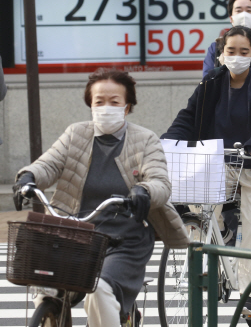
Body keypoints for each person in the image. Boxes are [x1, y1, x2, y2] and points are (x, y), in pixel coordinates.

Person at [13, 69, 189, 326]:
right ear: (90, 105)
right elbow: (49, 165)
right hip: (77, 234)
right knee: (43, 287)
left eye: (114, 102)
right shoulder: (76, 134)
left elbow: (160, 181)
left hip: (125, 240)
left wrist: (144, 191)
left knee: (99, 290)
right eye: (99, 101)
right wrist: (28, 176)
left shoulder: (145, 140)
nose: (106, 107)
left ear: (127, 107)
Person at [163, 26, 251, 317]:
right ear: (221, 53)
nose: (237, 56)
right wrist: (166, 142)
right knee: (200, 206)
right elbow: (188, 117)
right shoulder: (211, 82)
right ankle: (221, 234)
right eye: (231, 51)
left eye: (244, 52)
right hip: (220, 161)